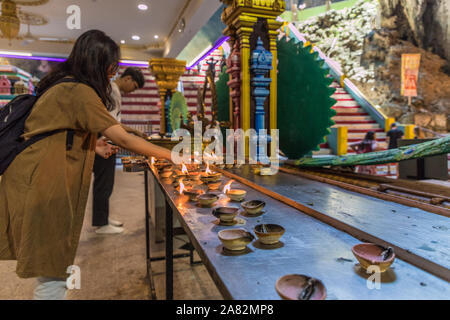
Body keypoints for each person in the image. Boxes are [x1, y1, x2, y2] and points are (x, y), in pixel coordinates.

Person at [0, 30, 172, 300]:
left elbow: (62, 133)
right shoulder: (77, 90)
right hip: (42, 183)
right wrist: (172, 155)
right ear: (99, 62)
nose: (112, 74)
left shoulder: (65, 84)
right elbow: (121, 135)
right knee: (53, 267)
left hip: (37, 176)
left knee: (54, 263)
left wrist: (94, 146)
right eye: (111, 67)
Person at [93, 67, 146, 234]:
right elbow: (110, 123)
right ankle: (101, 224)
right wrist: (132, 134)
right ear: (127, 78)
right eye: (135, 86)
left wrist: (132, 131)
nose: (133, 90)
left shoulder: (113, 90)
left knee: (105, 182)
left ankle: (103, 218)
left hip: (107, 141)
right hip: (105, 142)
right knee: (104, 183)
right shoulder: (113, 91)